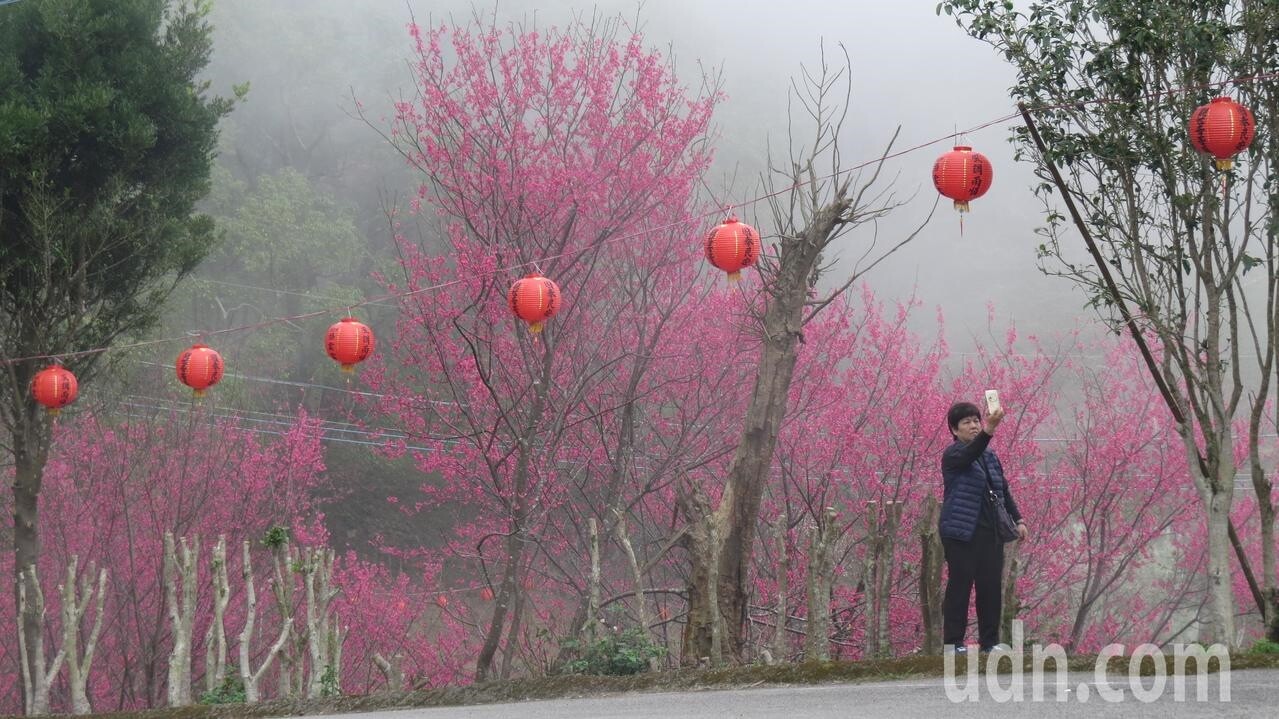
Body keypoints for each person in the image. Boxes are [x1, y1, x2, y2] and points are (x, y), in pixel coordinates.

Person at [938, 401, 1028, 654]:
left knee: (990, 587)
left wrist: (1018, 519)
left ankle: (989, 642)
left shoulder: (990, 456)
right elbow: (971, 453)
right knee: (960, 585)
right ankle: (953, 643)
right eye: (966, 422)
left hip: (990, 532)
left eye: (976, 420)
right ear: (954, 430)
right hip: (960, 531)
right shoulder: (953, 455)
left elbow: (1003, 489)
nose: (974, 426)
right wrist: (990, 430)